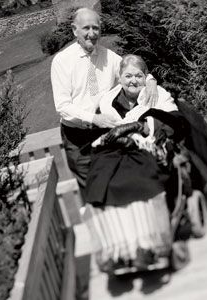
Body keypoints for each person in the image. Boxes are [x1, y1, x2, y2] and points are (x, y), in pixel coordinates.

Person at [83, 54, 190, 272]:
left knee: (137, 182)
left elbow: (174, 124)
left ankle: (146, 246)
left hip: (148, 148)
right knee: (99, 183)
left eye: (139, 76)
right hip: (115, 152)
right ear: (119, 77)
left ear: (146, 76)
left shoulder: (157, 95)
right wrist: (115, 136)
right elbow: (99, 133)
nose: (133, 80)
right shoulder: (107, 102)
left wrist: (138, 127)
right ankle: (119, 249)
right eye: (128, 75)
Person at [50, 8, 158, 196]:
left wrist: (150, 81)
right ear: (74, 30)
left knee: (115, 185)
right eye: (86, 28)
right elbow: (62, 106)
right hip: (78, 139)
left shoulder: (109, 57)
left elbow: (132, 70)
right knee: (94, 192)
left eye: (96, 28)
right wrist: (93, 118)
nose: (92, 34)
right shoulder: (62, 62)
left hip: (106, 134)